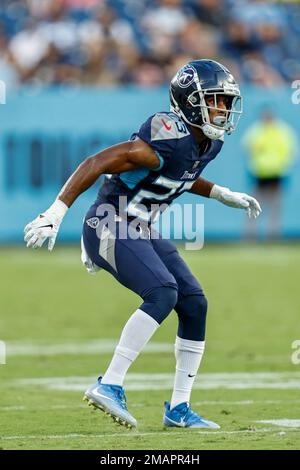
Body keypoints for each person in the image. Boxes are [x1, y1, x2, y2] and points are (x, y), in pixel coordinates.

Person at [24, 59, 261, 430]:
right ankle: (109, 384)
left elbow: (182, 174)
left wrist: (220, 193)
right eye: (215, 100)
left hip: (139, 226)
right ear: (190, 101)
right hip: (108, 219)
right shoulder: (164, 136)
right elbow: (98, 161)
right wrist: (57, 210)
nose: (224, 109)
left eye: (226, 101)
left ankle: (179, 409)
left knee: (194, 302)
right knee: (163, 292)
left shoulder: (206, 144)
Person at [243, 107, 296, 240]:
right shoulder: (261, 130)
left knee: (273, 205)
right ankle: (252, 234)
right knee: (256, 204)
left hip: (275, 173)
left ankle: (271, 234)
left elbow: (290, 151)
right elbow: (247, 147)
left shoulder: (276, 131)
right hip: (261, 173)